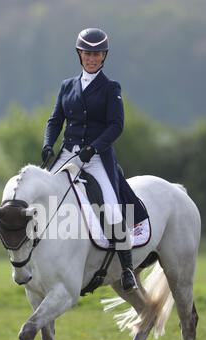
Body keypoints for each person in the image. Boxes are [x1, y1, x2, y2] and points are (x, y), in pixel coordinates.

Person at [41, 28, 138, 291]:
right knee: (43, 197)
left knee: (111, 204)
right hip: (67, 153)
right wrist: (48, 144)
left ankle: (127, 268)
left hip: (96, 156)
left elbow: (116, 125)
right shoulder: (67, 86)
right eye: (87, 53)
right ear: (79, 55)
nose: (92, 58)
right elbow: (55, 120)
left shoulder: (110, 88)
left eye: (97, 54)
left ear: (104, 56)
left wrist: (92, 149)